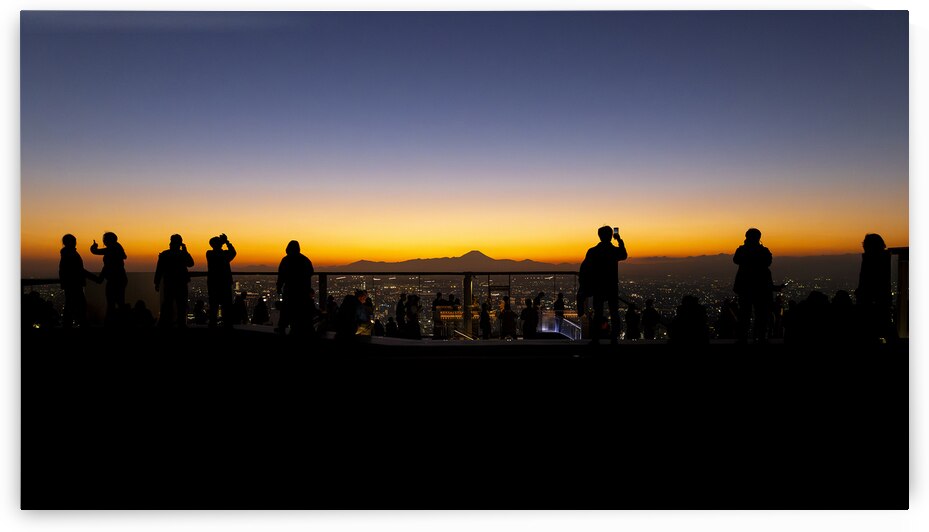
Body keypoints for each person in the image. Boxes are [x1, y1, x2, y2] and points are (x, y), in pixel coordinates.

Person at [579, 226, 628, 344]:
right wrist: (620, 240)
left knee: (598, 312)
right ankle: (614, 338)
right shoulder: (614, 251)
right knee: (614, 312)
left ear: (599, 236)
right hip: (611, 285)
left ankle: (595, 338)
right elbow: (624, 255)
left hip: (598, 285)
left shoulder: (593, 251)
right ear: (611, 236)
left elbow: (585, 268)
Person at [733, 228, 774, 343]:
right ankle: (760, 336)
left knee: (744, 313)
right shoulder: (764, 251)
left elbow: (736, 260)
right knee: (761, 314)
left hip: (745, 287)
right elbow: (768, 262)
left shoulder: (741, 250)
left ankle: (743, 337)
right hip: (761, 287)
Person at [855, 233, 895, 342]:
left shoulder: (872, 260)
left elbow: (866, 281)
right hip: (879, 303)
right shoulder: (884, 259)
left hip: (872, 303)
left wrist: (862, 295)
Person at [154, 234, 194, 328]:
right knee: (181, 303)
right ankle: (181, 323)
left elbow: (159, 269)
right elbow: (191, 264)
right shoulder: (181, 254)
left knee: (167, 303)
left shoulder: (165, 254)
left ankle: (165, 322)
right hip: (181, 282)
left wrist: (157, 282)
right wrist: (185, 252)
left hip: (169, 282)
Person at [276, 240, 314, 335]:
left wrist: (279, 287)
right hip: (302, 291)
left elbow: (281, 276)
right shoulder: (305, 260)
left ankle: (282, 328)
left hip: (290, 290)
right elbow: (310, 272)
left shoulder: (286, 260)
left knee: (286, 310)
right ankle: (298, 330)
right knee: (300, 313)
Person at [89, 232, 127, 325]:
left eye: (105, 240)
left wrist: (94, 247)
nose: (104, 241)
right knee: (119, 302)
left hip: (114, 281)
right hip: (120, 280)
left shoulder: (112, 249)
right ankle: (121, 323)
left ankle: (111, 324)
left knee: (111, 304)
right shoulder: (117, 248)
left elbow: (96, 252)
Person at [59, 234, 95, 328]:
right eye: (74, 241)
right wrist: (95, 278)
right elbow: (79, 269)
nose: (75, 243)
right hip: (74, 284)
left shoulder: (66, 253)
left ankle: (68, 326)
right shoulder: (70, 254)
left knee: (71, 306)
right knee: (79, 306)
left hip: (70, 284)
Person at [206, 234, 236, 328]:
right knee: (226, 306)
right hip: (224, 283)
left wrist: (223, 243)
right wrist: (226, 242)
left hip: (213, 283)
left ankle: (213, 325)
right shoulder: (223, 254)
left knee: (213, 306)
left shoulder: (209, 254)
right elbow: (233, 253)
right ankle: (227, 325)